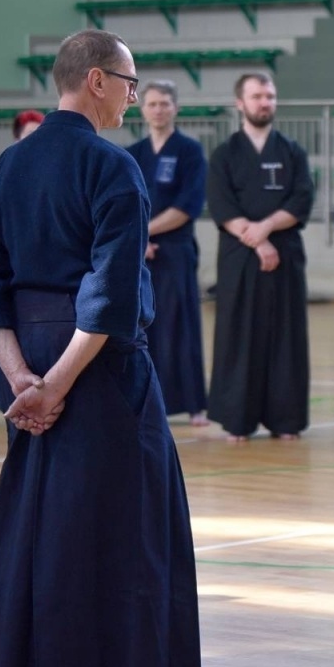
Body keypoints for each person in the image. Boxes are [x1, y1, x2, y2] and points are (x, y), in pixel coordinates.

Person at [0, 29, 202, 667]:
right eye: (129, 82)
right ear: (96, 80)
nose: (133, 96)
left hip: (29, 360)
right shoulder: (111, 165)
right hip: (95, 370)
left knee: (28, 526)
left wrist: (20, 377)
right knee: (110, 532)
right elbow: (108, 293)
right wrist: (56, 386)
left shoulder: (8, 166)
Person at [206, 72, 315, 442]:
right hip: (239, 256)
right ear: (240, 103)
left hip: (285, 255)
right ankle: (238, 420)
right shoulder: (225, 154)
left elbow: (301, 199)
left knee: (286, 335)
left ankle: (286, 420)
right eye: (257, 96)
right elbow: (221, 204)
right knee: (239, 335)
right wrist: (256, 240)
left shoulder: (292, 151)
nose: (265, 102)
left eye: (269, 96)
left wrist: (266, 229)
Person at [126, 80, 209, 425]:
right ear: (142, 109)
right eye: (152, 104)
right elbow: (125, 204)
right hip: (139, 254)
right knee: (143, 327)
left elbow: (188, 205)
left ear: (176, 108)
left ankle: (193, 405)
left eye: (164, 103)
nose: (158, 110)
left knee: (182, 325)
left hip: (175, 251)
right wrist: (137, 240)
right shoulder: (133, 153)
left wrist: (145, 232)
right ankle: (144, 401)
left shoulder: (189, 151)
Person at [0, 111, 48, 408]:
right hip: (9, 278)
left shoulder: (53, 176)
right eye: (28, 135)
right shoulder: (1, 177)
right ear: (17, 138)